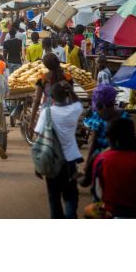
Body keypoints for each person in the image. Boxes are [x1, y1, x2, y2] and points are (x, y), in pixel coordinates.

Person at [85, 118, 136, 218]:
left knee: (89, 211)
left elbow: (97, 191)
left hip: (109, 212)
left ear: (110, 137)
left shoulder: (101, 159)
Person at [34, 81, 83, 219]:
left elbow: (39, 135)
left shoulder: (46, 112)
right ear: (67, 95)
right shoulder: (74, 110)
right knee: (70, 195)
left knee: (53, 197)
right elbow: (78, 103)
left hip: (51, 160)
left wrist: (38, 164)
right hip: (70, 161)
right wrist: (71, 91)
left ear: (51, 97)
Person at [81, 84, 129, 186]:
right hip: (125, 152)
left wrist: (88, 163)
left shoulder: (97, 118)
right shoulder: (125, 115)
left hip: (102, 156)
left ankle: (87, 179)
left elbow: (94, 142)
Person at [29, 53, 73, 136]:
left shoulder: (43, 78)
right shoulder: (68, 77)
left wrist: (31, 122)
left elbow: (37, 100)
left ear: (46, 65)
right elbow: (72, 96)